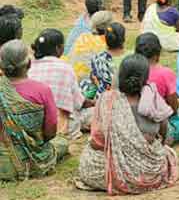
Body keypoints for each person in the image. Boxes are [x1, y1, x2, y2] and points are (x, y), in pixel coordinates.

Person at [76, 54, 179, 194]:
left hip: (104, 172)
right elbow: (164, 129)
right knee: (168, 154)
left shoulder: (107, 99)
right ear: (145, 78)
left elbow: (96, 140)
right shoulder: (152, 98)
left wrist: (117, 149)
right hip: (147, 171)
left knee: (90, 159)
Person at [0, 40, 68, 181]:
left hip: (3, 157)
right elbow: (50, 131)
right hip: (35, 154)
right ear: (29, 64)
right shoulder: (42, 90)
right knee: (62, 143)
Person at [29, 29, 93, 138]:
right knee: (94, 112)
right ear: (58, 48)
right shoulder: (65, 68)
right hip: (62, 125)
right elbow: (80, 103)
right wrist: (96, 102)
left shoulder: (29, 67)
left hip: (34, 124)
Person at [135, 32, 179, 143]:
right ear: (158, 53)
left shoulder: (131, 70)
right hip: (160, 123)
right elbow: (173, 106)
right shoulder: (165, 73)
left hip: (135, 121)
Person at [68, 10, 113, 79]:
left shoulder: (82, 37)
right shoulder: (106, 43)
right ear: (109, 26)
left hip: (74, 79)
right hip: (90, 84)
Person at [88, 22, 127, 95]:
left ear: (105, 39)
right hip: (127, 97)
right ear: (123, 39)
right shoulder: (131, 58)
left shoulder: (97, 58)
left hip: (104, 98)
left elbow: (95, 79)